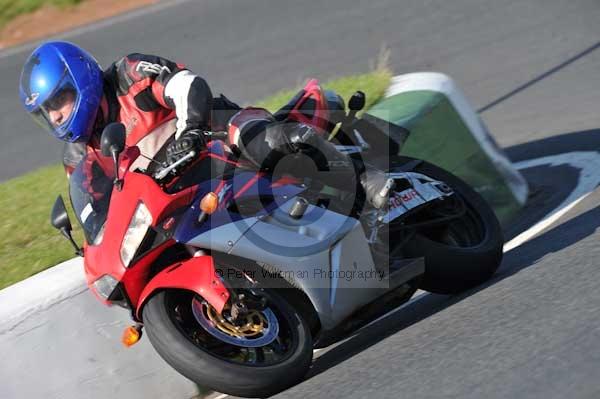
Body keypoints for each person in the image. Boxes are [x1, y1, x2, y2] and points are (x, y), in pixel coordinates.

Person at [19, 41, 392, 209]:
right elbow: (97, 212)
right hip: (185, 192)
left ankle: (362, 177)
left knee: (256, 139)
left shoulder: (128, 74)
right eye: (47, 112)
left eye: (58, 101)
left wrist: (192, 128)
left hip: (215, 135)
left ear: (80, 79)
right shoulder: (79, 156)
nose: (55, 117)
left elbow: (186, 84)